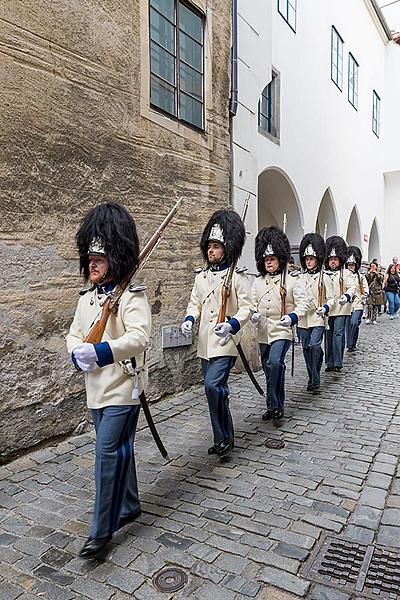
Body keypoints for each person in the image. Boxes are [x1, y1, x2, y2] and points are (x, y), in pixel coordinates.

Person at [66, 203, 151, 559]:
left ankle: (101, 531)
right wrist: (76, 352)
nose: (93, 265)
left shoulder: (132, 296)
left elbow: (139, 338)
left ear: (115, 259)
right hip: (96, 390)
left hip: (123, 386)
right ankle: (129, 503)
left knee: (106, 455)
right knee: (119, 449)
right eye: (90, 260)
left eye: (99, 259)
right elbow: (72, 333)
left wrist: (100, 352)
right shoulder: (87, 298)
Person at [180, 210, 252, 457]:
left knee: (213, 385)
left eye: (216, 246)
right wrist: (190, 319)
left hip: (225, 340)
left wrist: (232, 324)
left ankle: (225, 436)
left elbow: (247, 308)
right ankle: (222, 437)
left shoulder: (237, 277)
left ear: (226, 248)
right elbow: (194, 303)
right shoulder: (201, 277)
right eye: (209, 246)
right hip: (205, 343)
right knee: (213, 392)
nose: (211, 251)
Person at [251, 227, 309, 424]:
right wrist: (253, 314)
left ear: (280, 259)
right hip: (263, 331)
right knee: (268, 368)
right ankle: (272, 406)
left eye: (272, 259)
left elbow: (304, 303)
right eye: (266, 259)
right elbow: (251, 303)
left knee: (275, 363)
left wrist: (292, 317)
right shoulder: (258, 282)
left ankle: (277, 404)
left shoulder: (292, 281)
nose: (269, 262)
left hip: (282, 330)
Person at [297, 233, 334, 393]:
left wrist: (325, 308)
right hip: (302, 319)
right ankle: (311, 376)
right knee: (306, 348)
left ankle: (316, 376)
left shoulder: (324, 277)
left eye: (311, 258)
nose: (309, 262)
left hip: (317, 318)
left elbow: (332, 299)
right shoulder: (299, 277)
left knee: (314, 346)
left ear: (318, 259)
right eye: (306, 259)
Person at [323, 236, 356, 373]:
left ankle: (338, 362)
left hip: (342, 307)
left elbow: (352, 287)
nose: (333, 262)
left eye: (335, 259)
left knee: (338, 334)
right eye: (331, 259)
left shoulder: (347, 273)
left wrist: (346, 297)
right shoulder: (323, 273)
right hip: (328, 308)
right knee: (328, 335)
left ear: (340, 260)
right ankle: (329, 362)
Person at [346, 246, 369, 352]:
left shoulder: (360, 277)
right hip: (347, 305)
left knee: (355, 322)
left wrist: (365, 294)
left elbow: (365, 288)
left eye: (352, 265)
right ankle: (351, 343)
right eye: (349, 265)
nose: (351, 267)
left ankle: (350, 343)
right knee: (349, 324)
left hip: (358, 303)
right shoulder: (344, 276)